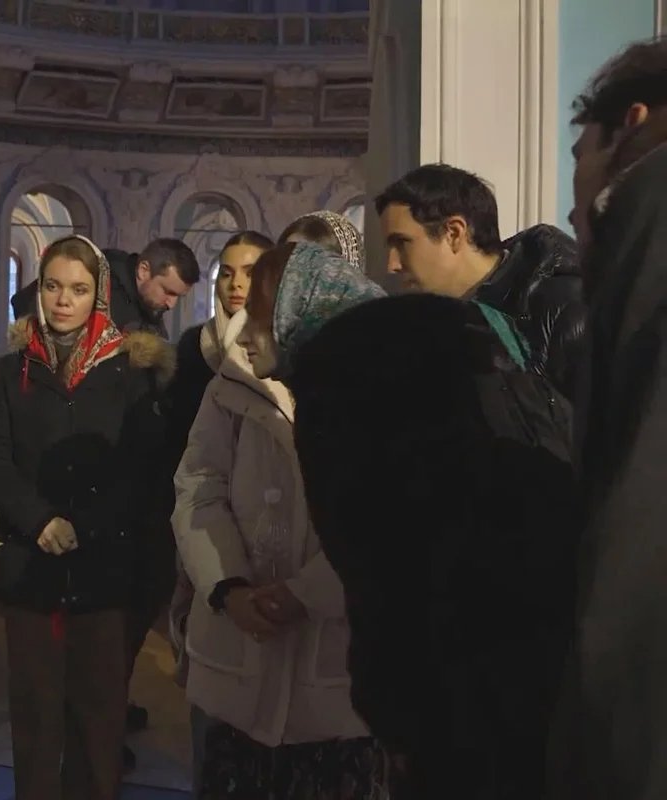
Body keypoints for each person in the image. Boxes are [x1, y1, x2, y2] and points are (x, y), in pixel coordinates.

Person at [238, 242, 576, 799]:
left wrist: (394, 707)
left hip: (450, 698)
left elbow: (384, 568)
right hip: (533, 670)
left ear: (297, 308)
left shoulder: (344, 380)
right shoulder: (456, 349)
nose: (245, 335)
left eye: (258, 317)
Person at [173, 227, 386, 800]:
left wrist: (305, 593)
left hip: (333, 681)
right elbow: (198, 485)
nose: (250, 325)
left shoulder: (379, 397)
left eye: (266, 310)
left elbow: (383, 522)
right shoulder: (231, 381)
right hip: (239, 659)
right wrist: (228, 586)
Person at [0, 234, 174, 800]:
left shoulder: (129, 371)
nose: (64, 300)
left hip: (103, 568)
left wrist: (82, 525)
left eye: (79, 289)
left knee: (98, 715)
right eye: (55, 286)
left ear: (99, 296)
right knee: (36, 716)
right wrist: (38, 519)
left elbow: (140, 468)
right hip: (30, 567)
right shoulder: (12, 370)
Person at [555, 36, 667, 799]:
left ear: (628, 126)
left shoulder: (655, 219)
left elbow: (645, 511)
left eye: (581, 159)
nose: (573, 203)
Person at [162, 229, 273, 795]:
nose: (235, 283)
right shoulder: (194, 347)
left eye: (249, 271)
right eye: (226, 272)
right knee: (203, 658)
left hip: (267, 529)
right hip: (202, 514)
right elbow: (187, 446)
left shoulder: (281, 349)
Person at [376, 164, 585, 397]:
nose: (392, 265)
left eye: (402, 243)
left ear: (454, 233)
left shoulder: (565, 309)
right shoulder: (427, 323)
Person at [10, 237, 200, 337]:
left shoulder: (147, 305)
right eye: (168, 292)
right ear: (143, 271)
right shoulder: (93, 276)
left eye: (178, 296)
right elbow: (23, 302)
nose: (171, 304)